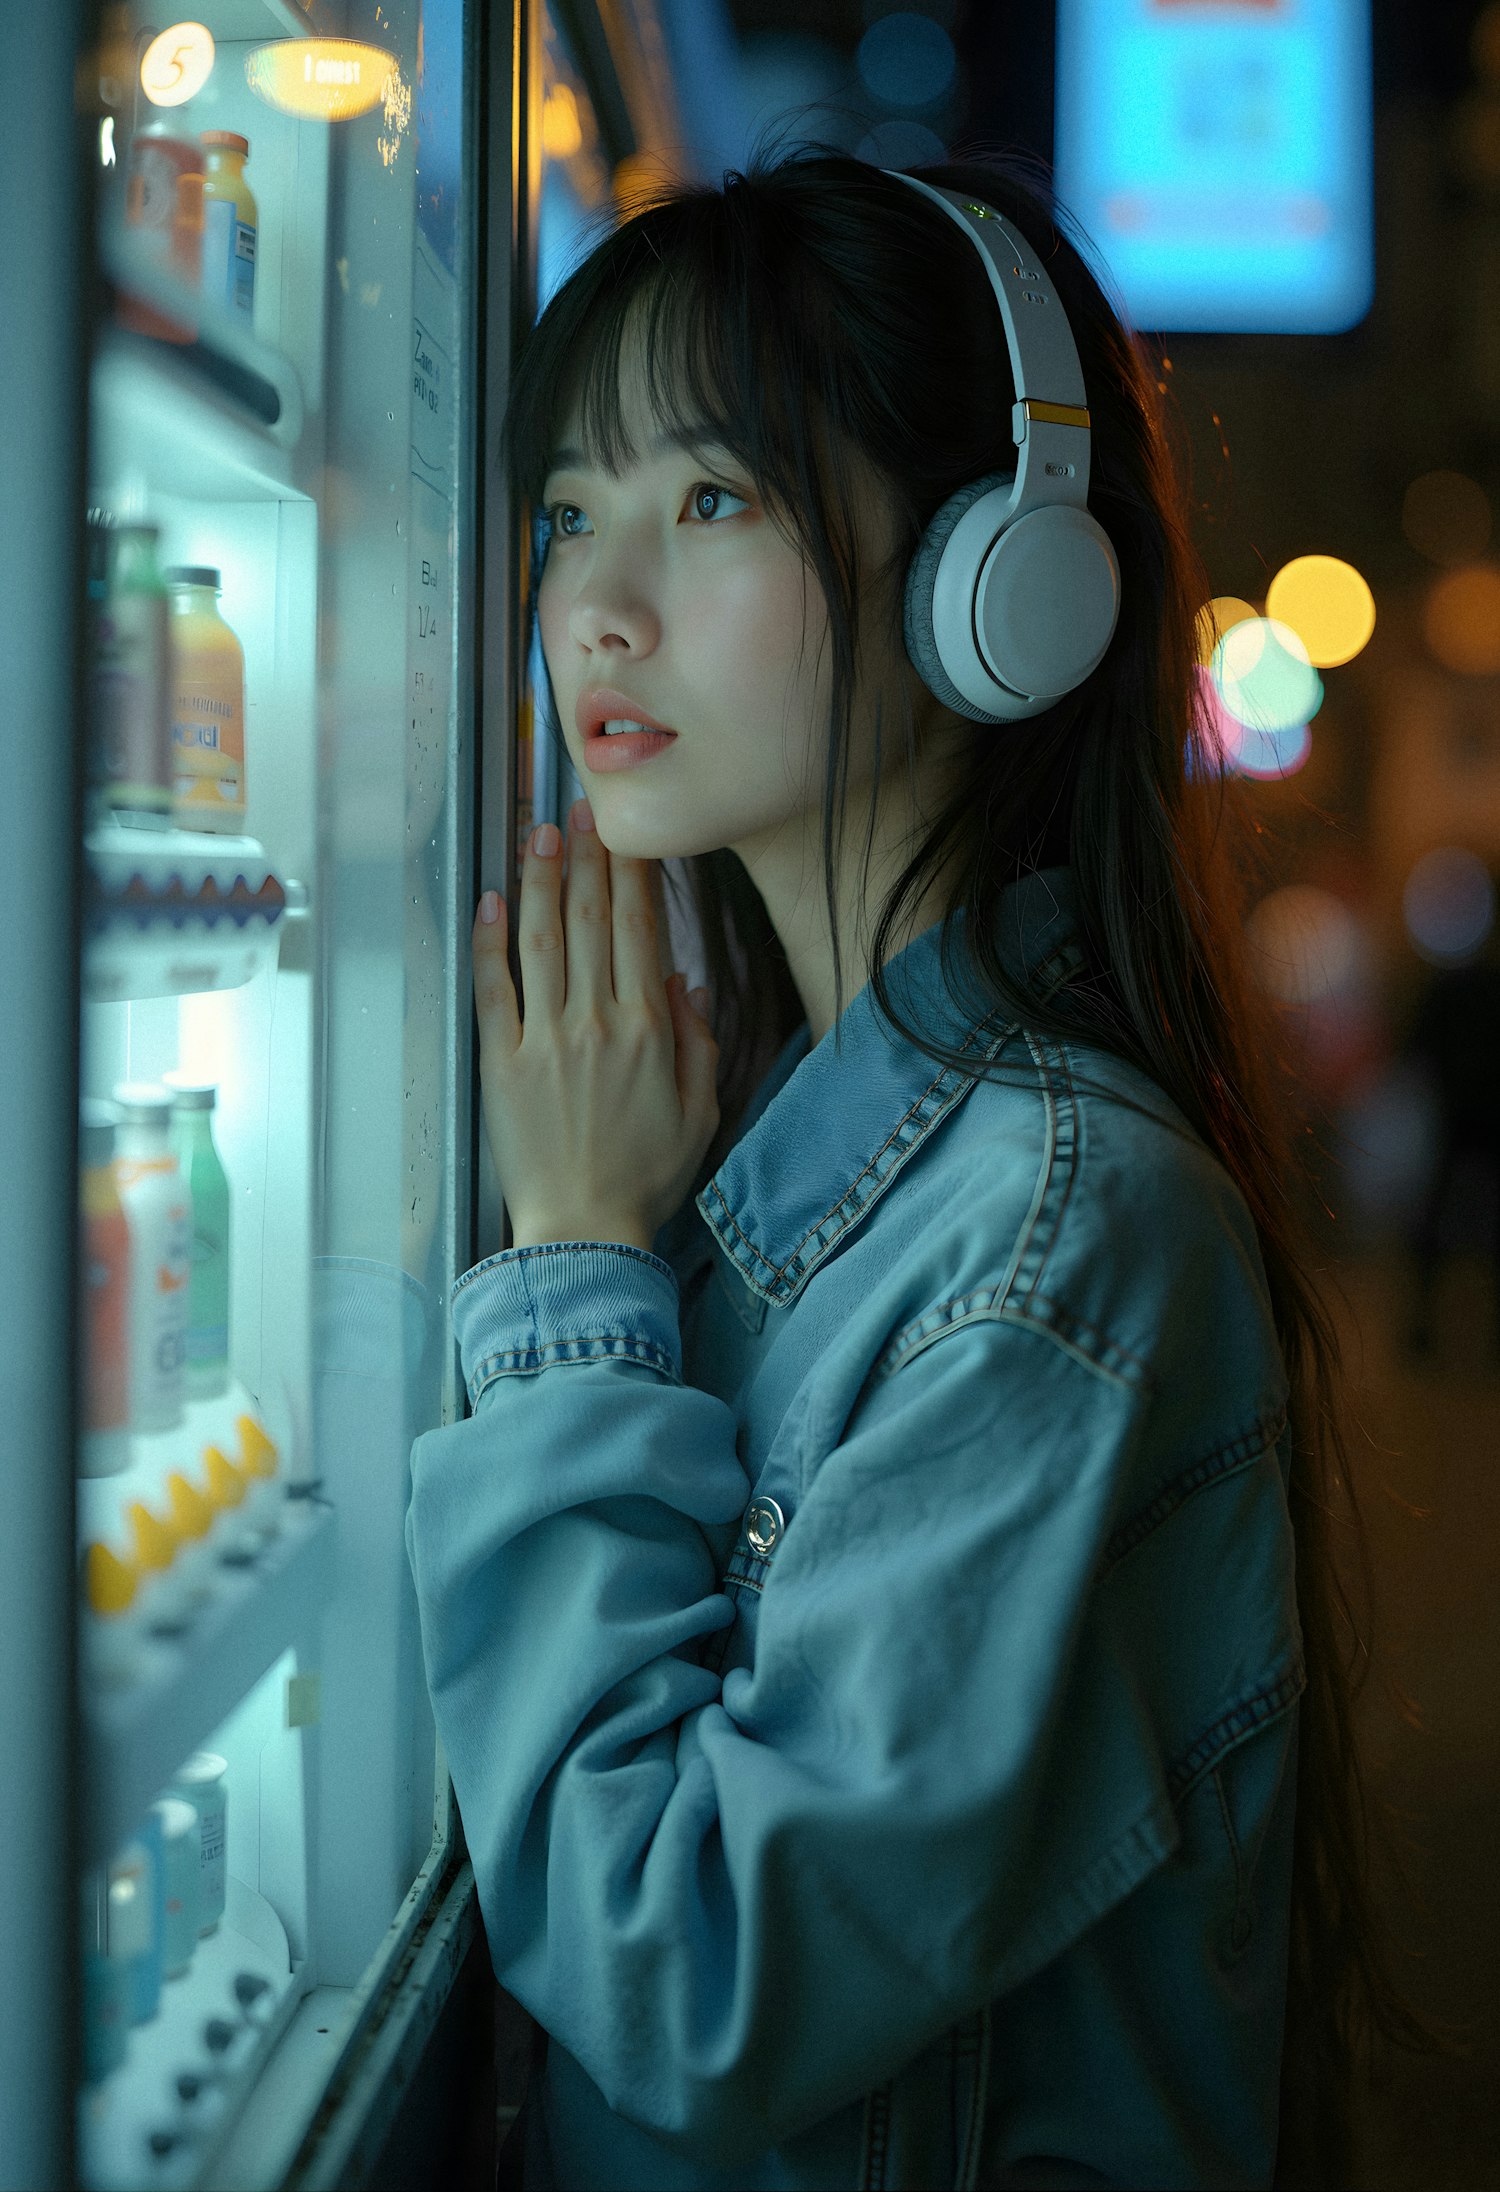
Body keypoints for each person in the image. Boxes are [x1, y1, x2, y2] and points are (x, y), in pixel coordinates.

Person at [405, 138, 1446, 2190]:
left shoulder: (1062, 1232)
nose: (592, 608)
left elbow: (700, 1977)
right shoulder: (813, 1137)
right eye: (566, 511)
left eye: (711, 499)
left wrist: (585, 1281)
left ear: (1004, 587)